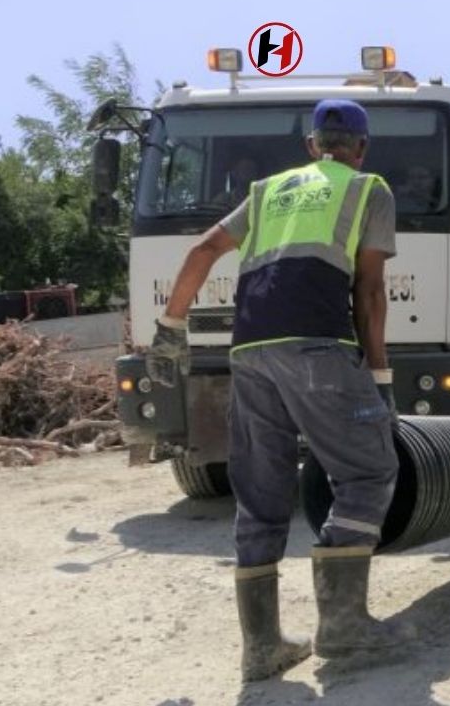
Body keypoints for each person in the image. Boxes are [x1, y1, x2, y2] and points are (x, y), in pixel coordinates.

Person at [146, 99, 402, 681]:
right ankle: (342, 624)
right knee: (368, 472)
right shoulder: (368, 189)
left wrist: (171, 329)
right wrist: (380, 376)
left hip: (250, 352)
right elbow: (368, 292)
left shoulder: (266, 192)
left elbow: (203, 250)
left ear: (312, 145)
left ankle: (261, 648)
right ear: (360, 149)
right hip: (316, 344)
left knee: (261, 495)